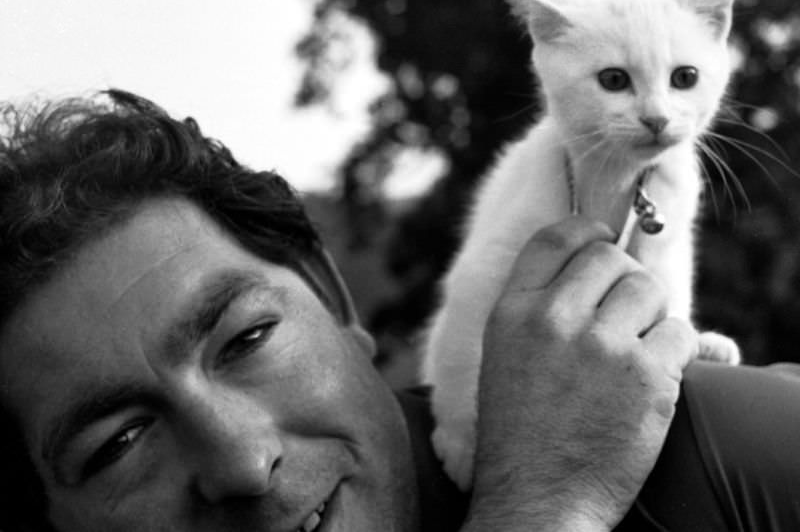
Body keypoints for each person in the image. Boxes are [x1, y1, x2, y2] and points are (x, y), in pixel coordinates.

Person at [0, 90, 799, 532]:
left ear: (332, 293)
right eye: (118, 444)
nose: (241, 465)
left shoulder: (730, 462)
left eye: (246, 339)